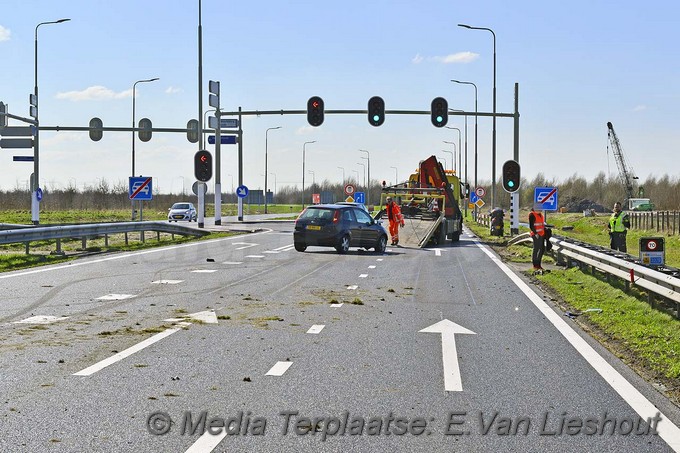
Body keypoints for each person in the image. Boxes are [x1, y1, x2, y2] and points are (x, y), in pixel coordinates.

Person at [529, 206, 546, 274]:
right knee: (536, 249)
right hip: (536, 235)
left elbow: (541, 224)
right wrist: (536, 233)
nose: (541, 210)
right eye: (539, 209)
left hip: (541, 234)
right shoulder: (532, 215)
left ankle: (539, 264)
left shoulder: (540, 215)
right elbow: (531, 226)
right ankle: (535, 265)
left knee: (541, 249)